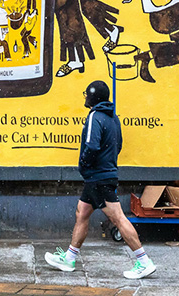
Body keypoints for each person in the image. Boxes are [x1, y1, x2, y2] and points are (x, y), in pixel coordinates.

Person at [45, 80, 156, 280]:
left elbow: (91, 145)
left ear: (92, 97)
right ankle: (69, 259)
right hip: (103, 175)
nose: (85, 97)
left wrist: (84, 165)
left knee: (118, 218)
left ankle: (144, 261)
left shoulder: (95, 116)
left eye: (87, 94)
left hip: (98, 178)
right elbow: (118, 145)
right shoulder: (113, 118)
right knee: (82, 213)